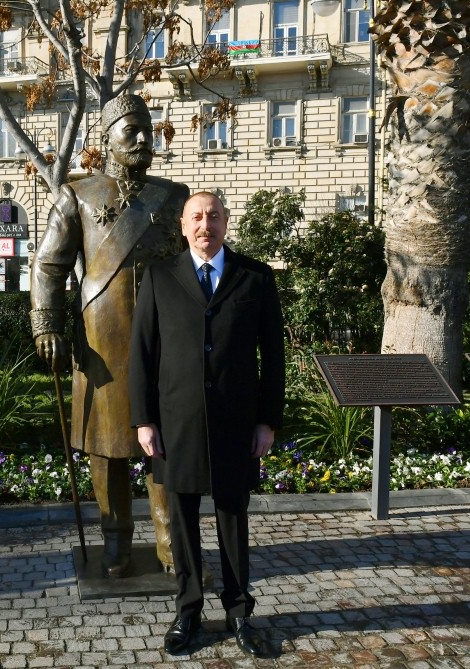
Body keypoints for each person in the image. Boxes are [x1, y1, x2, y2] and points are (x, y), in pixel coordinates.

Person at [30, 94, 189, 578]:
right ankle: (116, 540)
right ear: (107, 139)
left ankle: (168, 538)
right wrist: (47, 324)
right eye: (130, 131)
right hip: (103, 337)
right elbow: (48, 265)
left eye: (147, 130)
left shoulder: (174, 196)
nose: (142, 139)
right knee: (107, 443)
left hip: (167, 340)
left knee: (162, 442)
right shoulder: (78, 195)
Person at [128, 192, 286, 657]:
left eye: (213, 216)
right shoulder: (158, 277)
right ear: (182, 226)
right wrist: (143, 420)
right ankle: (188, 610)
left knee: (233, 520)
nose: (205, 225)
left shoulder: (256, 278)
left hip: (237, 424)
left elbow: (273, 357)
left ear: (226, 222)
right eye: (196, 217)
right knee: (182, 523)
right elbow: (141, 354)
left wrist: (267, 422)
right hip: (176, 424)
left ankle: (239, 613)